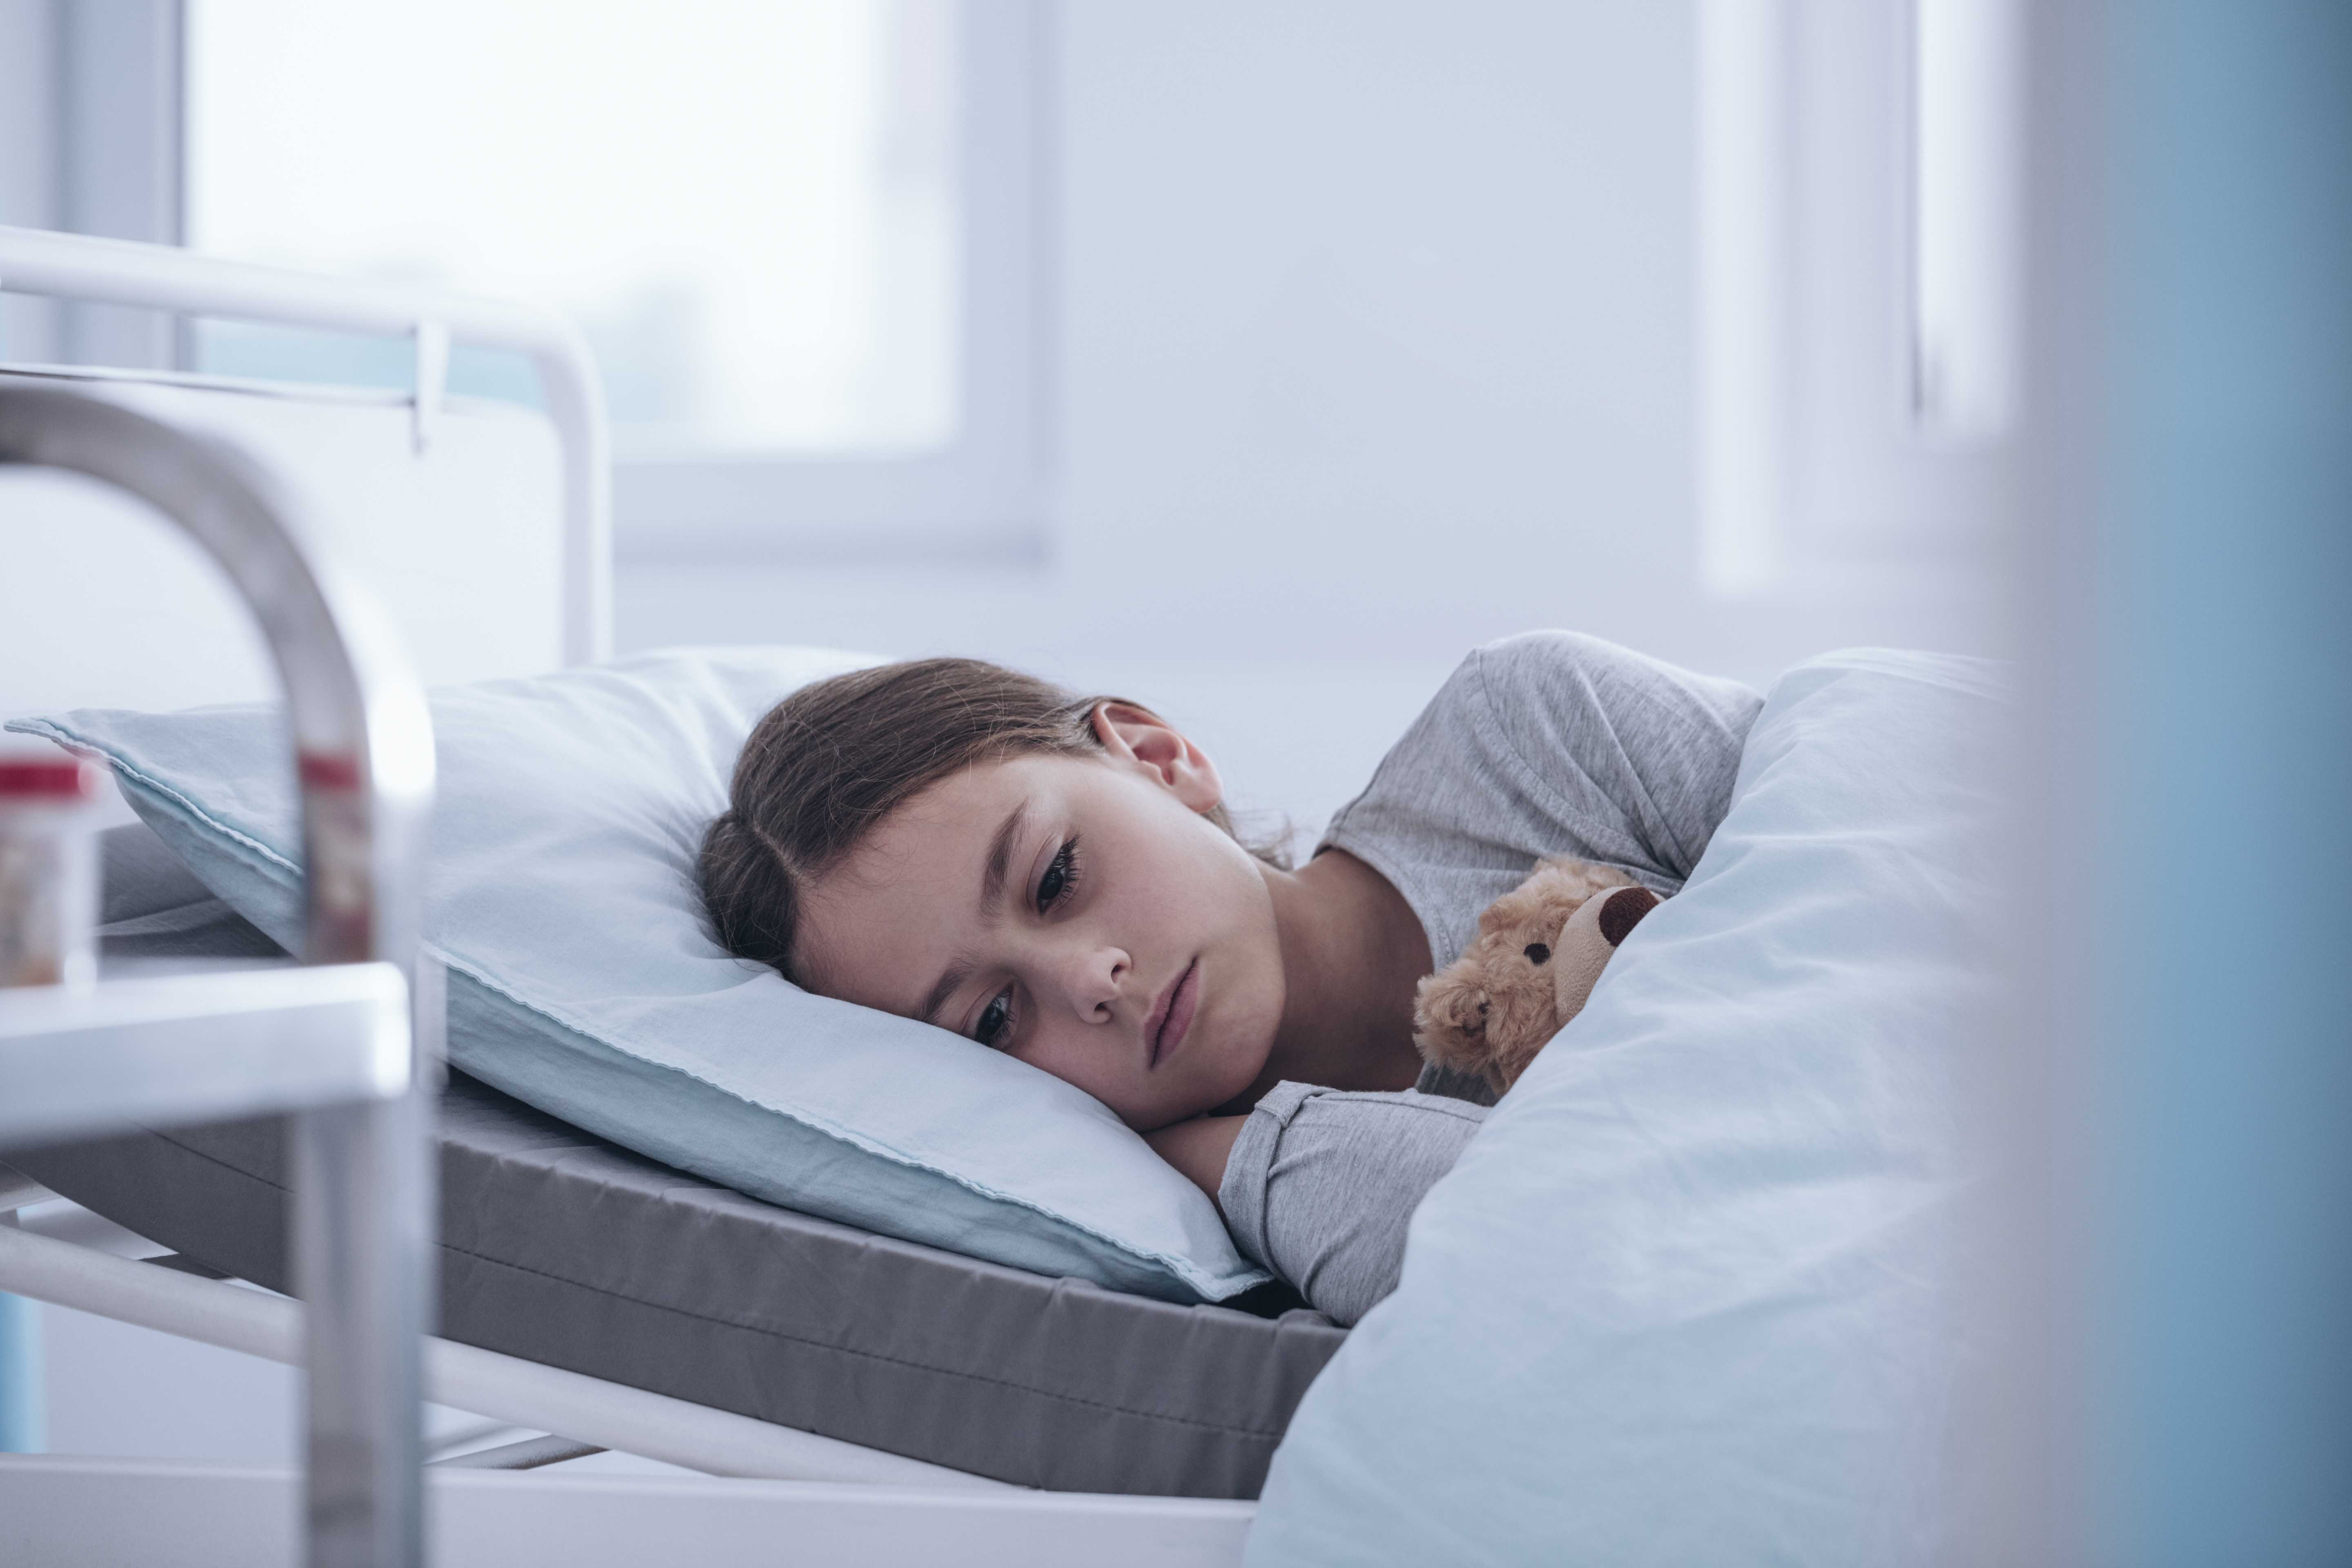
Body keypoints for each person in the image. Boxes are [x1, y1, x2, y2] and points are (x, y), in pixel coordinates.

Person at [699, 632, 1762, 1323]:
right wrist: (1233, 1155)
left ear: (1158, 757)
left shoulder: (1529, 738)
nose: (1090, 982)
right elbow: (1589, 1272)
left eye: (1057, 877)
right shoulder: (1263, 1208)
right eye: (992, 1021)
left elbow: (1889, 829)